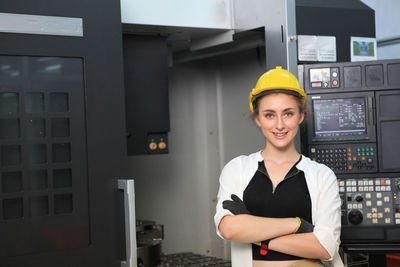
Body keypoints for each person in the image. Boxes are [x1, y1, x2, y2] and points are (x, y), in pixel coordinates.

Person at [214, 66, 343, 267]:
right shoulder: (237, 169)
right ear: (258, 119)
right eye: (270, 115)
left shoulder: (322, 176)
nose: (280, 125)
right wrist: (298, 225)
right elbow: (229, 229)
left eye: (288, 114)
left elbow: (325, 247)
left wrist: (252, 229)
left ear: (301, 116)